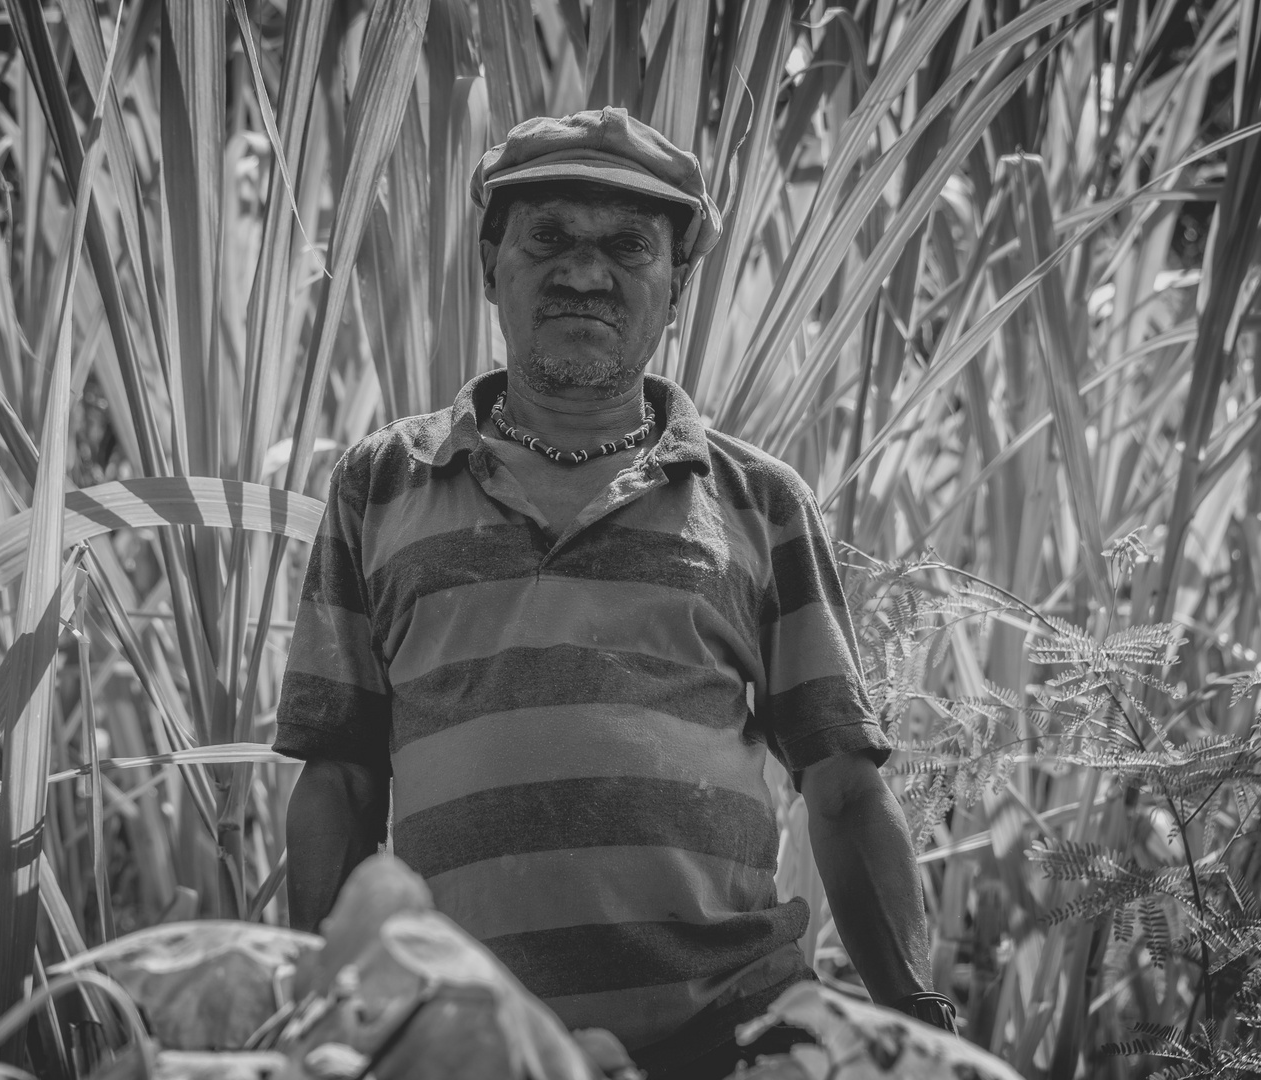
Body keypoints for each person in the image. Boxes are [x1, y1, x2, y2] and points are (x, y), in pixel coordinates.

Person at [274, 107, 954, 1078]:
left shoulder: (759, 503)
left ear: (673, 286)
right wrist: (330, 1025)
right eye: (547, 235)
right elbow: (338, 779)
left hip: (731, 1036)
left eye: (627, 246)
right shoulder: (381, 484)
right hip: (462, 1038)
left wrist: (915, 1025)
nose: (584, 272)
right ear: (489, 263)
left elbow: (844, 792)